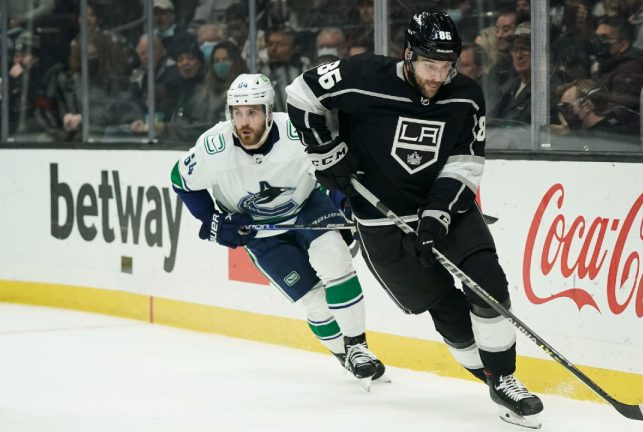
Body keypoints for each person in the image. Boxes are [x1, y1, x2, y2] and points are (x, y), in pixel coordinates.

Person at [285, 11, 544, 429]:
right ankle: (492, 380)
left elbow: (465, 162)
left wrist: (438, 215)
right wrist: (325, 151)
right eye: (429, 65)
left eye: (447, 66)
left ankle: (507, 378)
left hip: (446, 213)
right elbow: (300, 94)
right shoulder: (363, 74)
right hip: (381, 223)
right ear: (408, 54)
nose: (438, 75)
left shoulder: (466, 95)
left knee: (488, 285)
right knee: (447, 311)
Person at [170, 73, 386, 387]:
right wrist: (212, 220)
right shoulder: (213, 147)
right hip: (256, 231)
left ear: (270, 113)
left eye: (253, 112)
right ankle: (344, 354)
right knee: (314, 301)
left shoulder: (296, 133)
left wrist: (343, 200)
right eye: (237, 112)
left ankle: (358, 348)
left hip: (308, 207)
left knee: (335, 259)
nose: (244, 121)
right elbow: (181, 182)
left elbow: (330, 168)